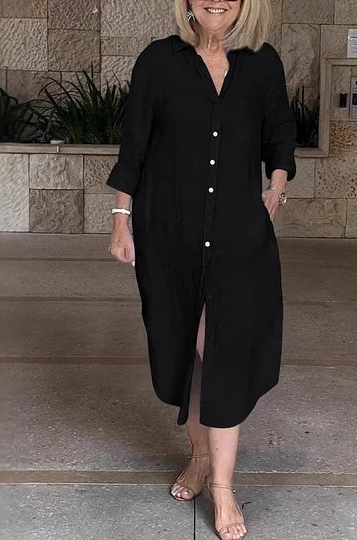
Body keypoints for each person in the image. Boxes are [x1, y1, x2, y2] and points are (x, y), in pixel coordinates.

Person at [107, 1, 296, 538]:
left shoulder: (263, 63)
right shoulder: (158, 62)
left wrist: (276, 187)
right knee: (189, 355)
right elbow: (134, 147)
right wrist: (121, 219)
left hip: (239, 239)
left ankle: (222, 485)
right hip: (170, 235)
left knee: (222, 356)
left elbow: (280, 134)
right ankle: (198, 456)